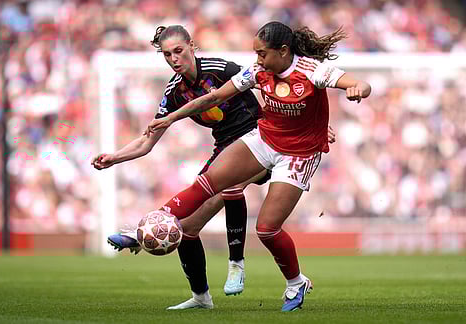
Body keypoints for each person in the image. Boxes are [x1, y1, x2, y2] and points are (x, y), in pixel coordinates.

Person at [146, 21, 371, 312]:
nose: (258, 60)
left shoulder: (313, 70)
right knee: (208, 182)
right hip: (263, 139)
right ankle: (153, 221)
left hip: (298, 155)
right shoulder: (258, 71)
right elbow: (214, 97)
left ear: (283, 51)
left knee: (266, 229)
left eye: (262, 54)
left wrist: (356, 90)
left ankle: (295, 282)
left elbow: (362, 84)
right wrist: (170, 118)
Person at [92, 25, 272, 310]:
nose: (174, 59)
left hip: (260, 141)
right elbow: (147, 141)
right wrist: (114, 157)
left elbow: (269, 82)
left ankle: (235, 263)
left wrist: (306, 123)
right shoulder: (175, 92)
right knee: (186, 227)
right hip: (225, 150)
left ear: (192, 46)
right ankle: (201, 297)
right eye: (167, 55)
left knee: (230, 184)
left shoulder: (220, 69)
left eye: (179, 51)